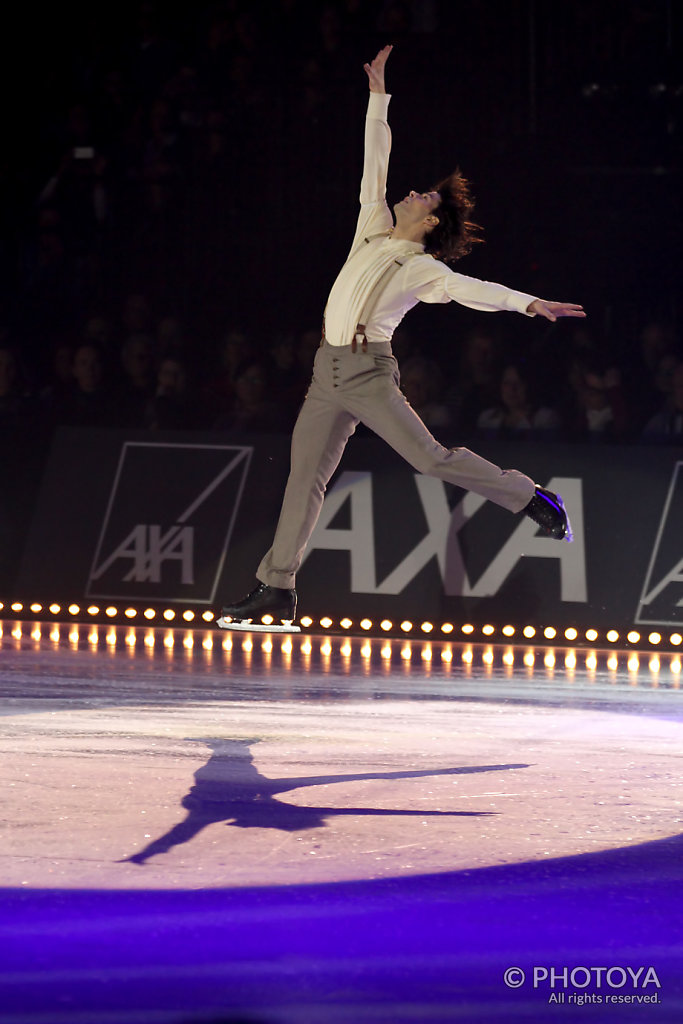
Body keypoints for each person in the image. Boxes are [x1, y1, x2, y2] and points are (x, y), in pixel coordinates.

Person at [219, 45, 585, 627]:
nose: (410, 194)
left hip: (368, 375)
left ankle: (532, 498)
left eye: (423, 197)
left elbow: (473, 288)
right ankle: (277, 589)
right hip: (325, 373)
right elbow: (374, 161)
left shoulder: (421, 268)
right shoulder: (372, 228)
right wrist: (377, 97)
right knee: (304, 479)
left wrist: (528, 302)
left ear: (431, 221)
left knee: (431, 460)